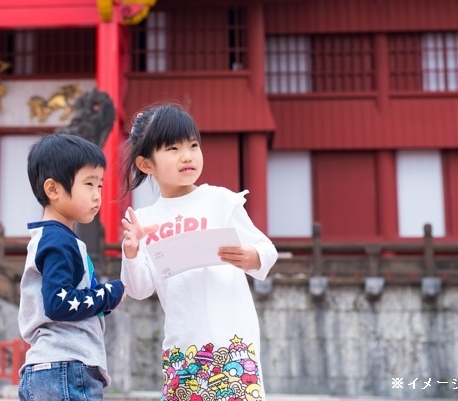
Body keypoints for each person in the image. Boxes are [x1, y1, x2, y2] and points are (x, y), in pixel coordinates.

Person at [119, 104, 278, 401]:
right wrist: (131, 251)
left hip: (231, 340)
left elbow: (266, 249)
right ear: (146, 164)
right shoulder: (145, 219)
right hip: (183, 343)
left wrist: (251, 256)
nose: (187, 155)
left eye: (193, 145)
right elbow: (139, 289)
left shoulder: (220, 201)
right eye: (173, 148)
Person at [18, 133, 126, 401]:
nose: (97, 195)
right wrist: (110, 293)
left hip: (53, 370)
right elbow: (59, 303)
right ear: (53, 189)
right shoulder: (58, 240)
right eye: (89, 184)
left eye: (100, 185)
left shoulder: (55, 237)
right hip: (65, 368)